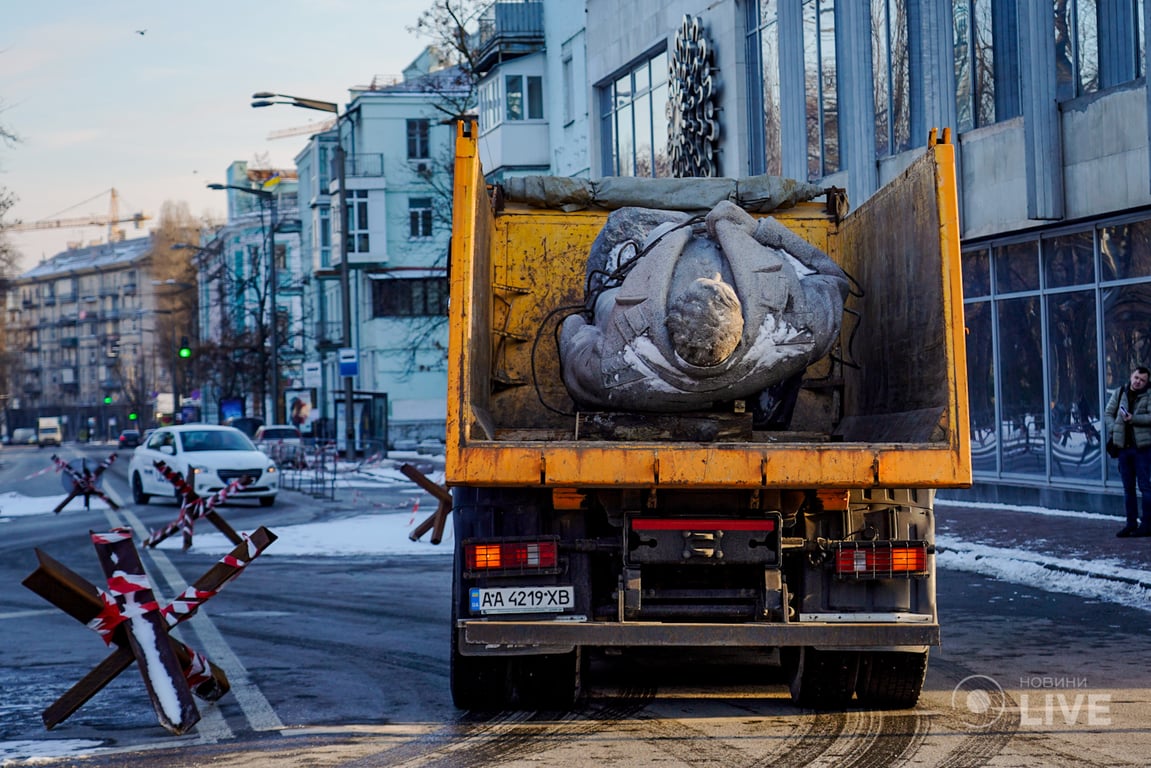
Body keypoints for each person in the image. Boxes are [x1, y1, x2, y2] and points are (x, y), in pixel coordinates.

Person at [558, 200, 849, 412]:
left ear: (668, 321)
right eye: (719, 282)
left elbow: (573, 329)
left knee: (619, 230)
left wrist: (597, 314)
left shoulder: (612, 372)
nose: (716, 275)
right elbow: (833, 277)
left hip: (641, 383)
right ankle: (766, 409)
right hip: (754, 379)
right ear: (741, 323)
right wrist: (760, 230)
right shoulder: (799, 337)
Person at [1105, 366, 1151, 537]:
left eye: (1142, 380)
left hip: (1142, 449)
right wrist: (1114, 428)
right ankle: (1131, 523)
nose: (1138, 382)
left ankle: (1147, 524)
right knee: (1128, 488)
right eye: (1136, 377)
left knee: (1145, 487)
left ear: (1146, 382)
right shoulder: (1120, 392)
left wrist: (1134, 419)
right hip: (1123, 449)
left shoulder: (1149, 394)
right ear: (1132, 376)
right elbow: (1108, 413)